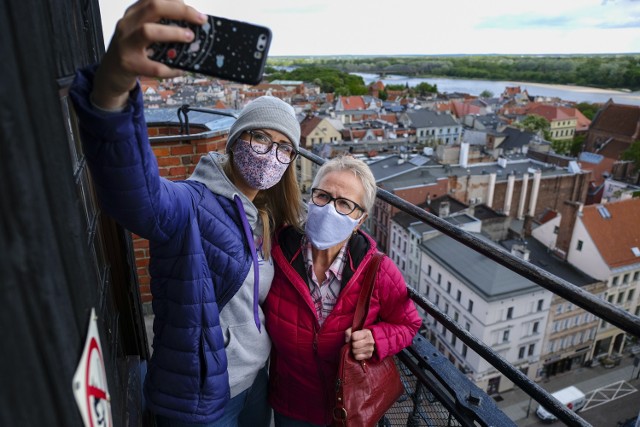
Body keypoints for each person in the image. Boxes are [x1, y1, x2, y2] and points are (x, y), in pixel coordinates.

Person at [68, 1, 303, 425]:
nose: (271, 155)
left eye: (284, 147)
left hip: (257, 383)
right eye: (260, 139)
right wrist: (113, 88)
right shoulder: (192, 204)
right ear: (234, 142)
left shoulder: (265, 215)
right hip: (202, 397)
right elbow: (136, 196)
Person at [264, 155, 422, 426]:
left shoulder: (378, 270)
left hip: (350, 407)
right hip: (291, 404)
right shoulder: (278, 251)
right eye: (323, 196)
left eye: (345, 204)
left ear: (360, 220)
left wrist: (377, 338)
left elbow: (408, 324)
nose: (329, 209)